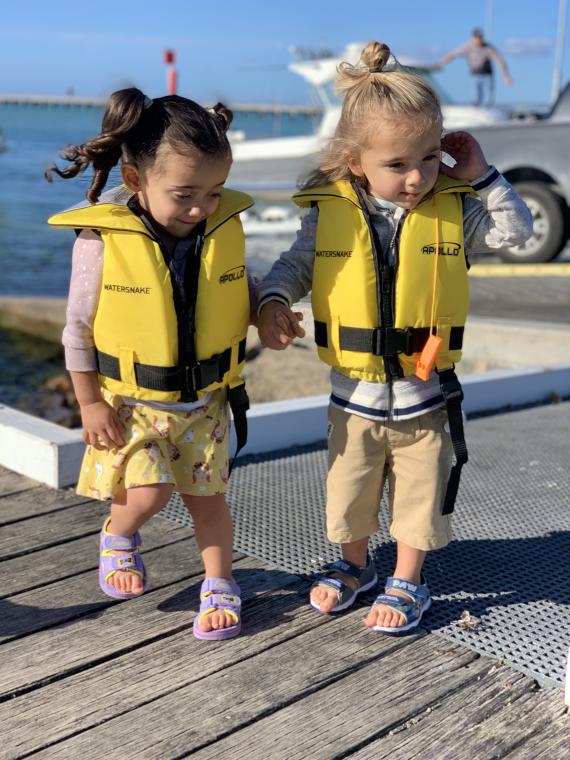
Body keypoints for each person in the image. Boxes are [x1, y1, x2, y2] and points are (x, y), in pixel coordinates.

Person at [257, 41, 532, 634]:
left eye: (430, 158)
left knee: (418, 491)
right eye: (398, 165)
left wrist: (481, 174)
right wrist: (272, 302)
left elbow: (518, 229)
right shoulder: (327, 212)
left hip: (424, 394)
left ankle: (409, 579)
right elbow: (293, 265)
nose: (417, 178)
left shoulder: (457, 210)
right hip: (351, 395)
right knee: (350, 487)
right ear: (355, 160)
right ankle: (355, 567)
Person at [46, 89, 255, 640]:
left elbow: (231, 287)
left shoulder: (216, 225)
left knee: (209, 503)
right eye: (186, 194)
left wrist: (266, 309)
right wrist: (89, 401)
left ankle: (220, 582)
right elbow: (78, 329)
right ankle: (119, 533)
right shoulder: (101, 238)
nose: (201, 209)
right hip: (134, 407)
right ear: (136, 180)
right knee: (149, 494)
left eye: (214, 193)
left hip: (204, 403)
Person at [437, 27, 513, 106]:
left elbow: (500, 60)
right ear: (473, 37)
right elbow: (452, 54)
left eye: (481, 37)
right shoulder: (467, 47)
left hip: (487, 76)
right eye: (477, 37)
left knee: (488, 100)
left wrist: (506, 75)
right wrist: (440, 63)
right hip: (475, 76)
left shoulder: (488, 47)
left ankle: (487, 113)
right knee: (476, 99)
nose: (479, 39)